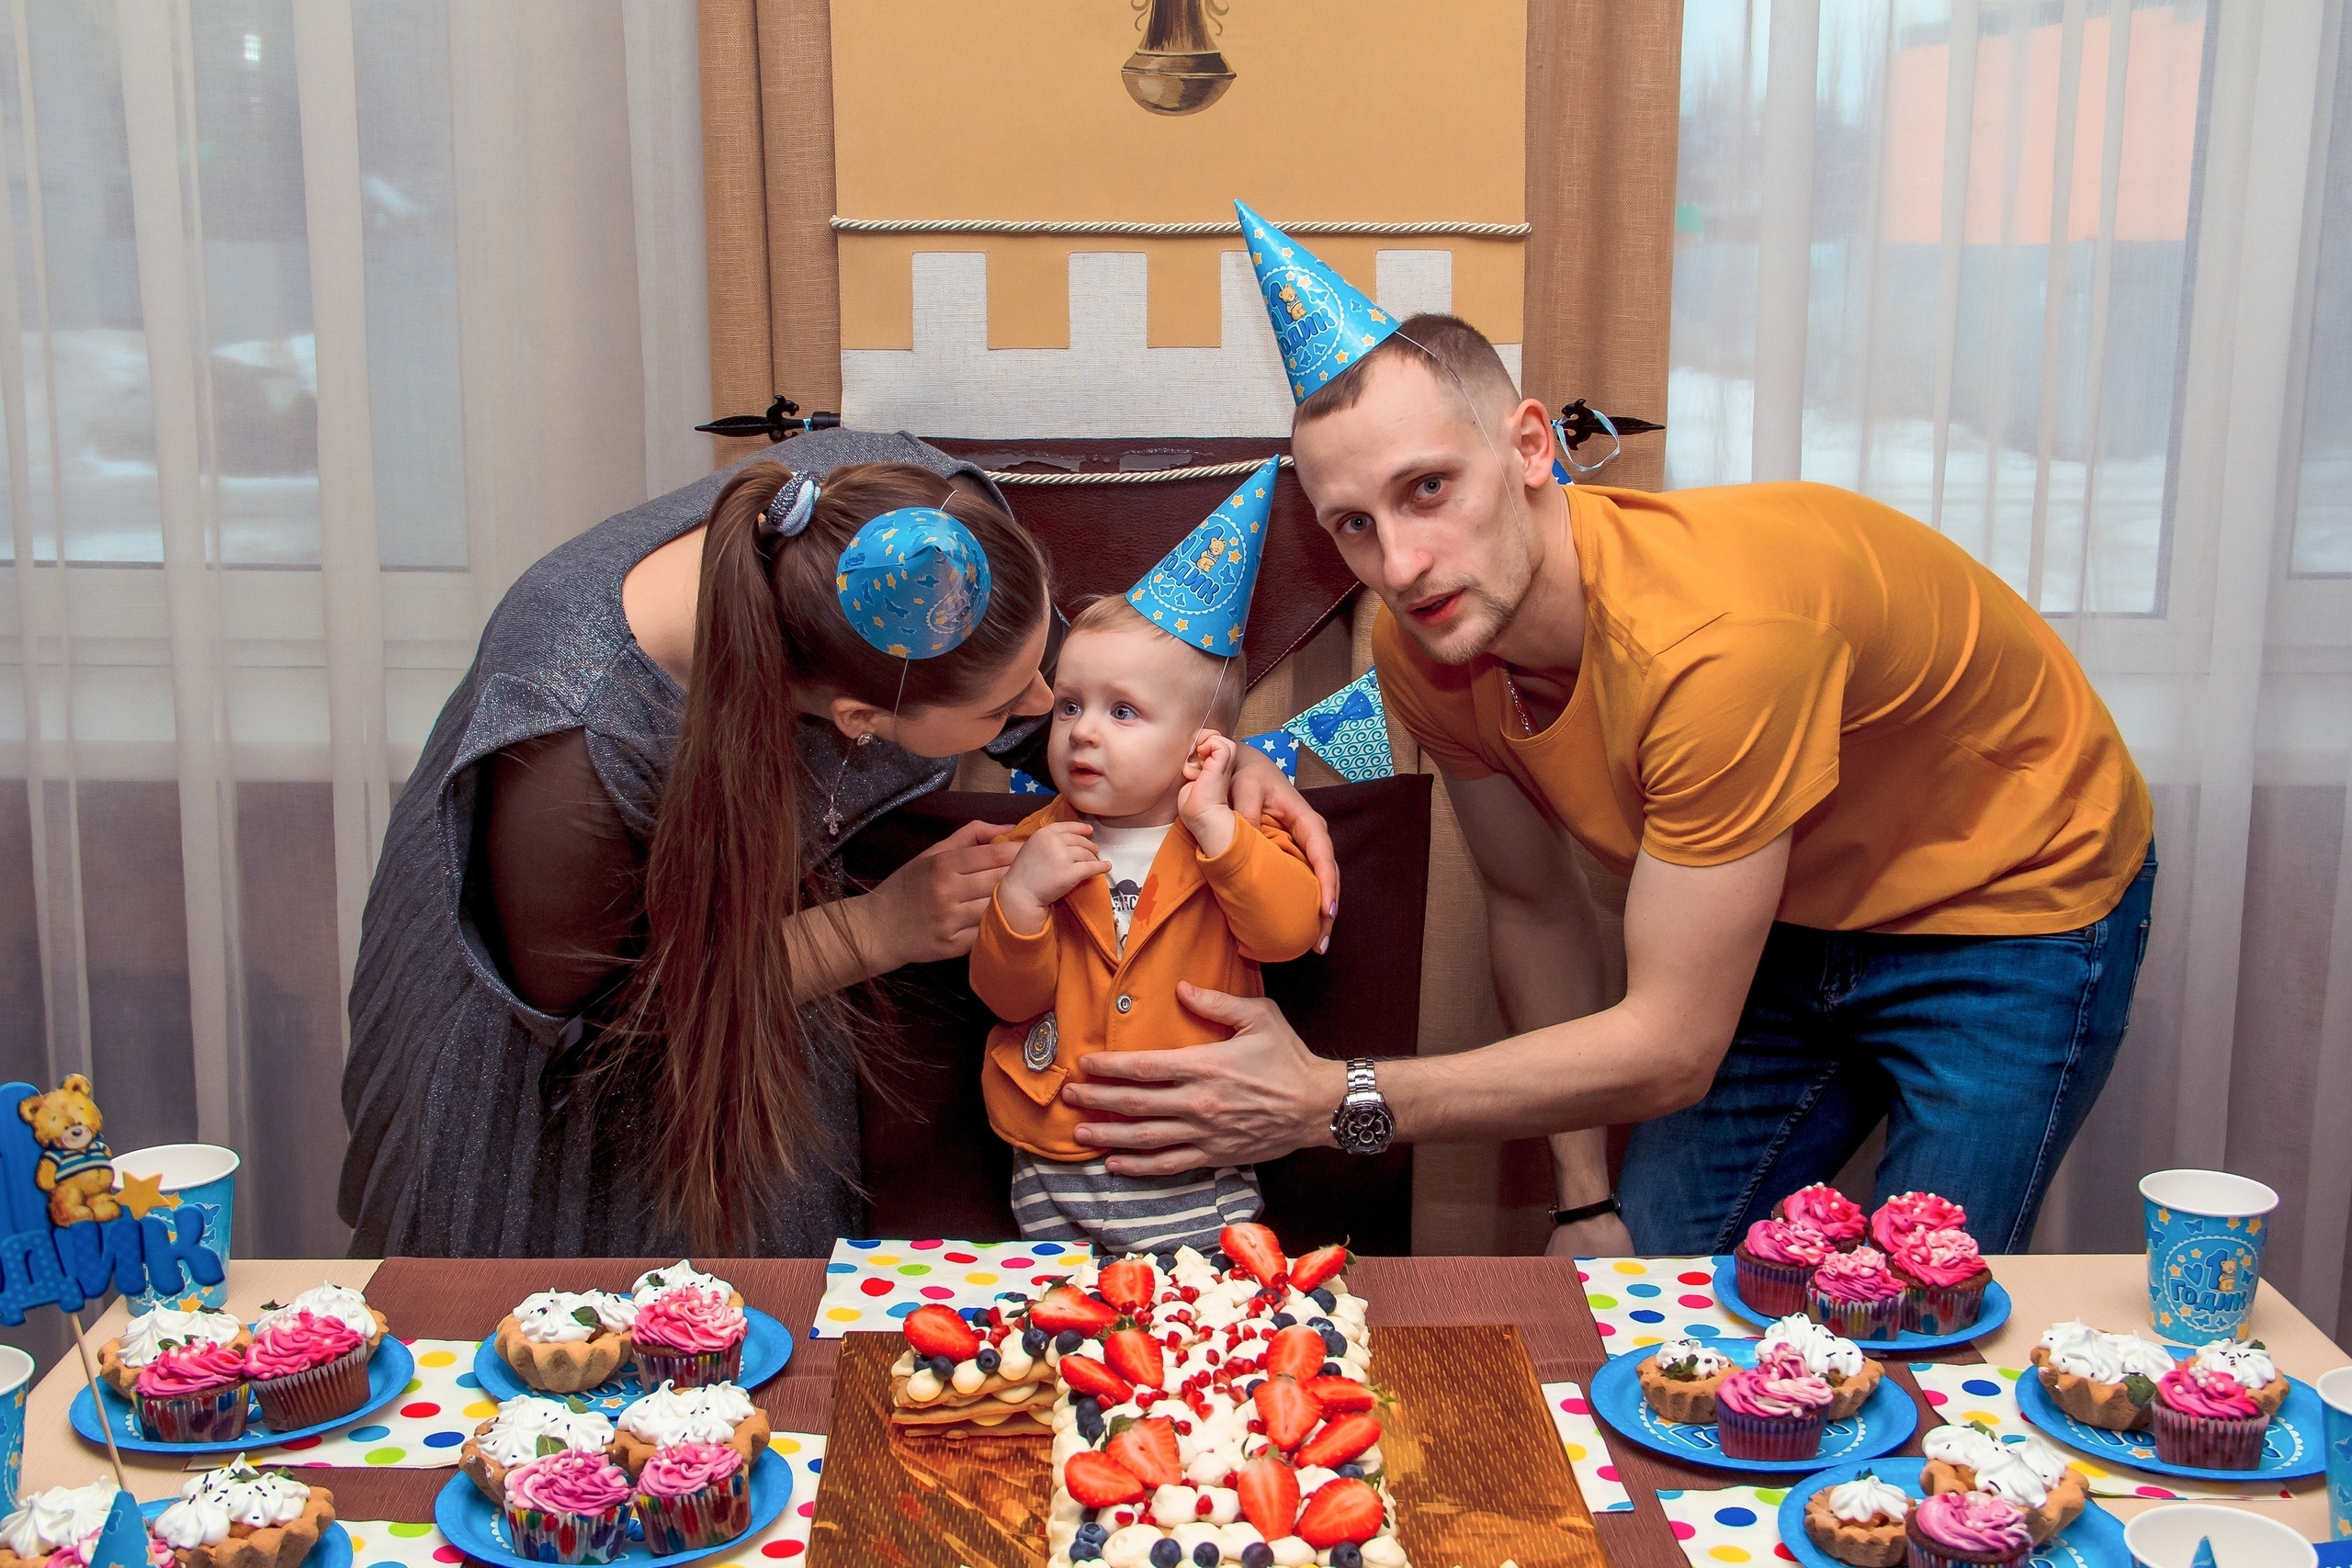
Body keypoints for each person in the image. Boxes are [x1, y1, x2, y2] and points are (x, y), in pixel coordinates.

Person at [1055, 208, 2155, 1258]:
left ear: (1531, 447)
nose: (1400, 565)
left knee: (1922, 1304)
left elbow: (1670, 1048)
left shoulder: (1717, 648)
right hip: (1779, 906)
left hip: (2007, 903)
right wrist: (1583, 1197)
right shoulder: (1425, 645)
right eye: (1354, 523)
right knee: (1648, 1270)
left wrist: (1332, 1100)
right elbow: (1532, 904)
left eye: (1428, 488)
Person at [339, 429, 1336, 1258]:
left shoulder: (906, 516)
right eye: (1012, 708)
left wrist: (1216, 760)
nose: (1046, 709)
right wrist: (874, 929)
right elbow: (618, 1018)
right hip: (581, 1071)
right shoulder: (574, 753)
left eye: (1054, 675)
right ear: (859, 721)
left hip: (761, 992)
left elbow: (1037, 680)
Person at [971, 466, 1324, 1252]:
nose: (1083, 730)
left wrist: (1218, 829)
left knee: (1197, 1314)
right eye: (1070, 705)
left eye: (1123, 710)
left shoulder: (1234, 833)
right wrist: (1021, 902)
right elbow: (1004, 995)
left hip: (1193, 1149)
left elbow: (1289, 933)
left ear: (1202, 747)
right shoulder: (1029, 846)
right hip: (1055, 1145)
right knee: (1058, 1317)